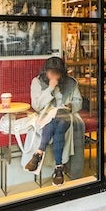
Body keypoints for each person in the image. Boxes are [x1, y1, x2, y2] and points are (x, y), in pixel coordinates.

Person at [25, 57, 83, 185]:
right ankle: (59, 167)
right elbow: (36, 106)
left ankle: (39, 152)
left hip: (66, 114)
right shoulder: (38, 82)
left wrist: (71, 106)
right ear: (45, 71)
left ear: (62, 73)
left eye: (57, 73)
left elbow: (78, 101)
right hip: (46, 115)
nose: (54, 75)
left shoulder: (71, 83)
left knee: (60, 118)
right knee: (57, 123)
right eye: (51, 72)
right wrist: (50, 88)